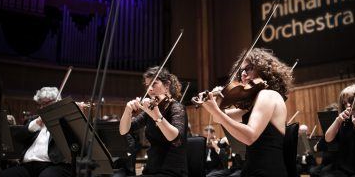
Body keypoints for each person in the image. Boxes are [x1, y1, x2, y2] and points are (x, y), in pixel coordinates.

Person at [198, 48, 292, 177]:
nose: (243, 74)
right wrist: (216, 102)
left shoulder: (268, 95)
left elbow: (249, 136)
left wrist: (216, 110)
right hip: (254, 169)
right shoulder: (253, 103)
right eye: (242, 70)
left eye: (249, 68)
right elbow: (219, 118)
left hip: (266, 171)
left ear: (263, 69)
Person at [119, 66, 188, 176]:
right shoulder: (150, 110)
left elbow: (175, 138)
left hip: (171, 171)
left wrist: (157, 117)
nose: (149, 89)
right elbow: (124, 130)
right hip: (152, 169)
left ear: (167, 85)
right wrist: (128, 110)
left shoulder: (176, 107)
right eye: (147, 85)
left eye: (154, 83)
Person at [0, 87, 71, 177]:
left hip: (53, 165)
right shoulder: (33, 120)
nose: (41, 108)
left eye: (45, 104)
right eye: (40, 105)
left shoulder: (64, 121)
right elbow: (18, 137)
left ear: (56, 103)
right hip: (27, 167)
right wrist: (35, 124)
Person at [323, 84, 355, 177]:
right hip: (346, 167)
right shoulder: (345, 120)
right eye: (344, 103)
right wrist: (337, 120)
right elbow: (328, 138)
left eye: (351, 101)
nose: (347, 105)